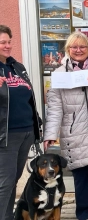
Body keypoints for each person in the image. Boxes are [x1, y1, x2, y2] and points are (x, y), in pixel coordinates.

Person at [43, 31, 88, 220]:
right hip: (74, 133)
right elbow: (55, 108)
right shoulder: (59, 74)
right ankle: (87, 214)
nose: (78, 50)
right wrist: (50, 134)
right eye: (74, 47)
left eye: (82, 46)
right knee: (83, 177)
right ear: (68, 50)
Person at [0, 25, 42, 220]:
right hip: (5, 135)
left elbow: (27, 98)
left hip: (26, 133)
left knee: (12, 182)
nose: (7, 46)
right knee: (4, 184)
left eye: (9, 41)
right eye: (2, 43)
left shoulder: (17, 67)